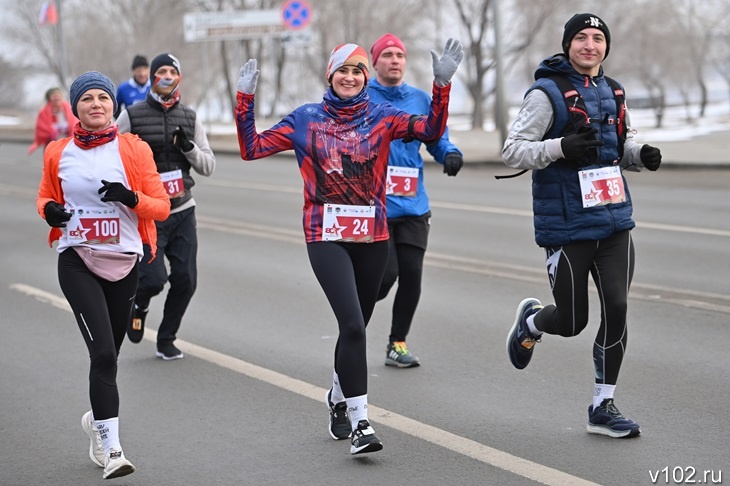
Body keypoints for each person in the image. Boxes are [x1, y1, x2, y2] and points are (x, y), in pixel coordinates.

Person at [235, 39, 463, 454]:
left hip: (373, 237)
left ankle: (338, 397)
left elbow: (429, 131)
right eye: (344, 70)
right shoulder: (306, 119)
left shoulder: (384, 116)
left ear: (364, 78)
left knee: (353, 326)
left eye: (358, 71)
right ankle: (361, 424)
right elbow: (251, 149)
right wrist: (244, 100)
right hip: (325, 234)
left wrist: (441, 86)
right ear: (331, 74)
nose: (351, 77)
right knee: (354, 325)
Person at [501, 13, 663, 439]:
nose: (590, 45)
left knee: (618, 307)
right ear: (568, 44)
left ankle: (601, 405)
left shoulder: (614, 90)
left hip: (613, 218)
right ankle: (532, 323)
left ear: (605, 46)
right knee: (572, 322)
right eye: (581, 38)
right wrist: (559, 147)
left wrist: (640, 154)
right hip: (568, 223)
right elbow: (513, 151)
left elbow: (620, 143)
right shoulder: (546, 93)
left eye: (597, 38)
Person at [36, 71, 170, 479]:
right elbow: (45, 197)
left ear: (114, 105)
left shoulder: (134, 150)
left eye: (103, 98)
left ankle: (95, 423)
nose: (96, 104)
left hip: (124, 262)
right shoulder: (58, 152)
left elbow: (160, 207)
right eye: (87, 99)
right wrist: (50, 213)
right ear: (75, 107)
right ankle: (112, 450)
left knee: (110, 357)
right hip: (78, 259)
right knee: (104, 356)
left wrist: (131, 198)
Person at [368, 33, 464, 368]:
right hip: (373, 207)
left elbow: (437, 137)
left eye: (400, 55)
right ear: (374, 61)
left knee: (411, 275)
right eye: (388, 55)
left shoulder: (420, 99)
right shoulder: (360, 97)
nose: (395, 60)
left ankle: (397, 343)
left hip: (412, 205)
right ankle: (352, 326)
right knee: (383, 279)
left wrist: (449, 153)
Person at [116, 53, 216, 360]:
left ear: (180, 77)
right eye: (161, 71)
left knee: (186, 280)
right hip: (149, 213)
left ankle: (166, 338)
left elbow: (208, 166)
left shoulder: (191, 116)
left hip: (183, 209)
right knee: (154, 279)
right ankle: (140, 304)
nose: (167, 76)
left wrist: (189, 148)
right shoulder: (132, 115)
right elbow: (110, 154)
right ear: (152, 77)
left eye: (173, 71)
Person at [28, 87, 78, 155]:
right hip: (52, 146)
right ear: (49, 99)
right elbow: (41, 130)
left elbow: (76, 124)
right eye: (53, 95)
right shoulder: (44, 113)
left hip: (69, 145)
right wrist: (51, 133)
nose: (56, 97)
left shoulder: (70, 109)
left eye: (58, 95)